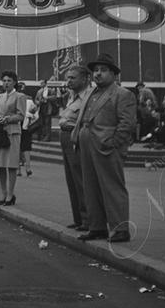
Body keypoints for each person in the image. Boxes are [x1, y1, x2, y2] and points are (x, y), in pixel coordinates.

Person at [73, 52, 137, 243]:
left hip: (106, 146)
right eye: (96, 70)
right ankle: (97, 227)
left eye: (103, 70)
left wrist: (114, 143)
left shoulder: (122, 94)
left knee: (112, 187)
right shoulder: (92, 92)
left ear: (113, 74)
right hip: (88, 144)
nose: (98, 74)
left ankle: (120, 229)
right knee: (90, 187)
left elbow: (127, 124)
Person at [58, 64, 92, 231]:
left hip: (77, 138)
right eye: (67, 78)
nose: (68, 81)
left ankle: (88, 219)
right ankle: (78, 218)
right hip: (66, 138)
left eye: (72, 78)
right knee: (71, 180)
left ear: (85, 79)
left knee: (81, 180)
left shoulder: (89, 96)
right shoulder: (72, 95)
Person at [0, 71, 25, 206]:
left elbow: (21, 115)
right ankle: (4, 193)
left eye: (9, 80)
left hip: (12, 133)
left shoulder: (19, 96)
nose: (6, 83)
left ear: (14, 82)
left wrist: (8, 119)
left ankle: (10, 194)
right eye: (4, 80)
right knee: (0, 164)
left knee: (11, 165)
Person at [18, 82, 36, 176]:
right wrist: (30, 121)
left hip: (17, 125)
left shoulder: (15, 100)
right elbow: (35, 115)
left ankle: (18, 169)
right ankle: (28, 167)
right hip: (26, 127)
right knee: (26, 148)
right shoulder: (30, 101)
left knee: (17, 147)